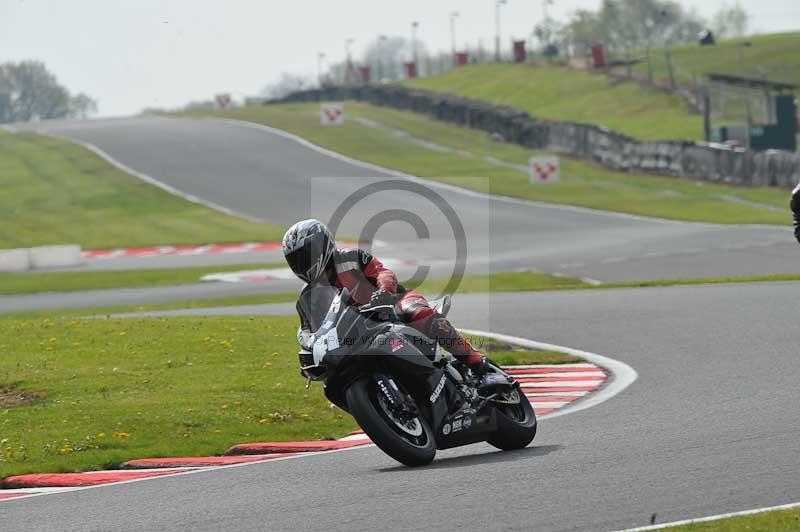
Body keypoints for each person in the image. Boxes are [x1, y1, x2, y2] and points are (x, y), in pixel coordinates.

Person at [282, 219, 486, 372]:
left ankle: (476, 362)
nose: (302, 263)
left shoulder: (350, 258)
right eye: (295, 260)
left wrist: (384, 292)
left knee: (420, 314)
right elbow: (308, 332)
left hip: (394, 302)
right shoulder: (307, 298)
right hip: (358, 334)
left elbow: (382, 272)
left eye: (305, 255)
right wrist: (309, 351)